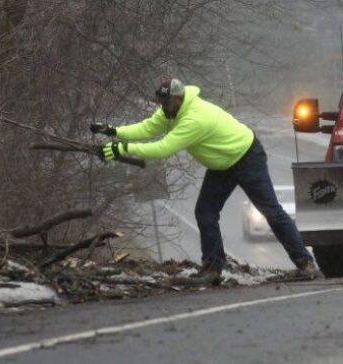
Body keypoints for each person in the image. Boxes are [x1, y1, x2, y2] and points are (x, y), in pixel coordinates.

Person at [93, 78, 322, 282]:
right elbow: (147, 128)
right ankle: (212, 268)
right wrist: (114, 131)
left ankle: (306, 264)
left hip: (246, 156)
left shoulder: (194, 118)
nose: (162, 108)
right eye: (160, 103)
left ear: (179, 98)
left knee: (270, 210)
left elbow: (163, 148)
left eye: (166, 103)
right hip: (222, 164)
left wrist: (122, 148)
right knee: (205, 211)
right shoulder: (170, 111)